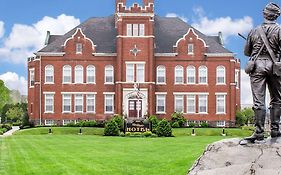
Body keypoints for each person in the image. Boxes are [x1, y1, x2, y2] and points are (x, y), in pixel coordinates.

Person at [243, 2, 281, 143]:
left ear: (264, 14)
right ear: (276, 16)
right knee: (277, 98)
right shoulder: (280, 30)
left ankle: (259, 132)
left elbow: (246, 52)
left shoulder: (254, 31)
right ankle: (275, 130)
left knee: (258, 101)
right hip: (275, 66)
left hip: (257, 65)